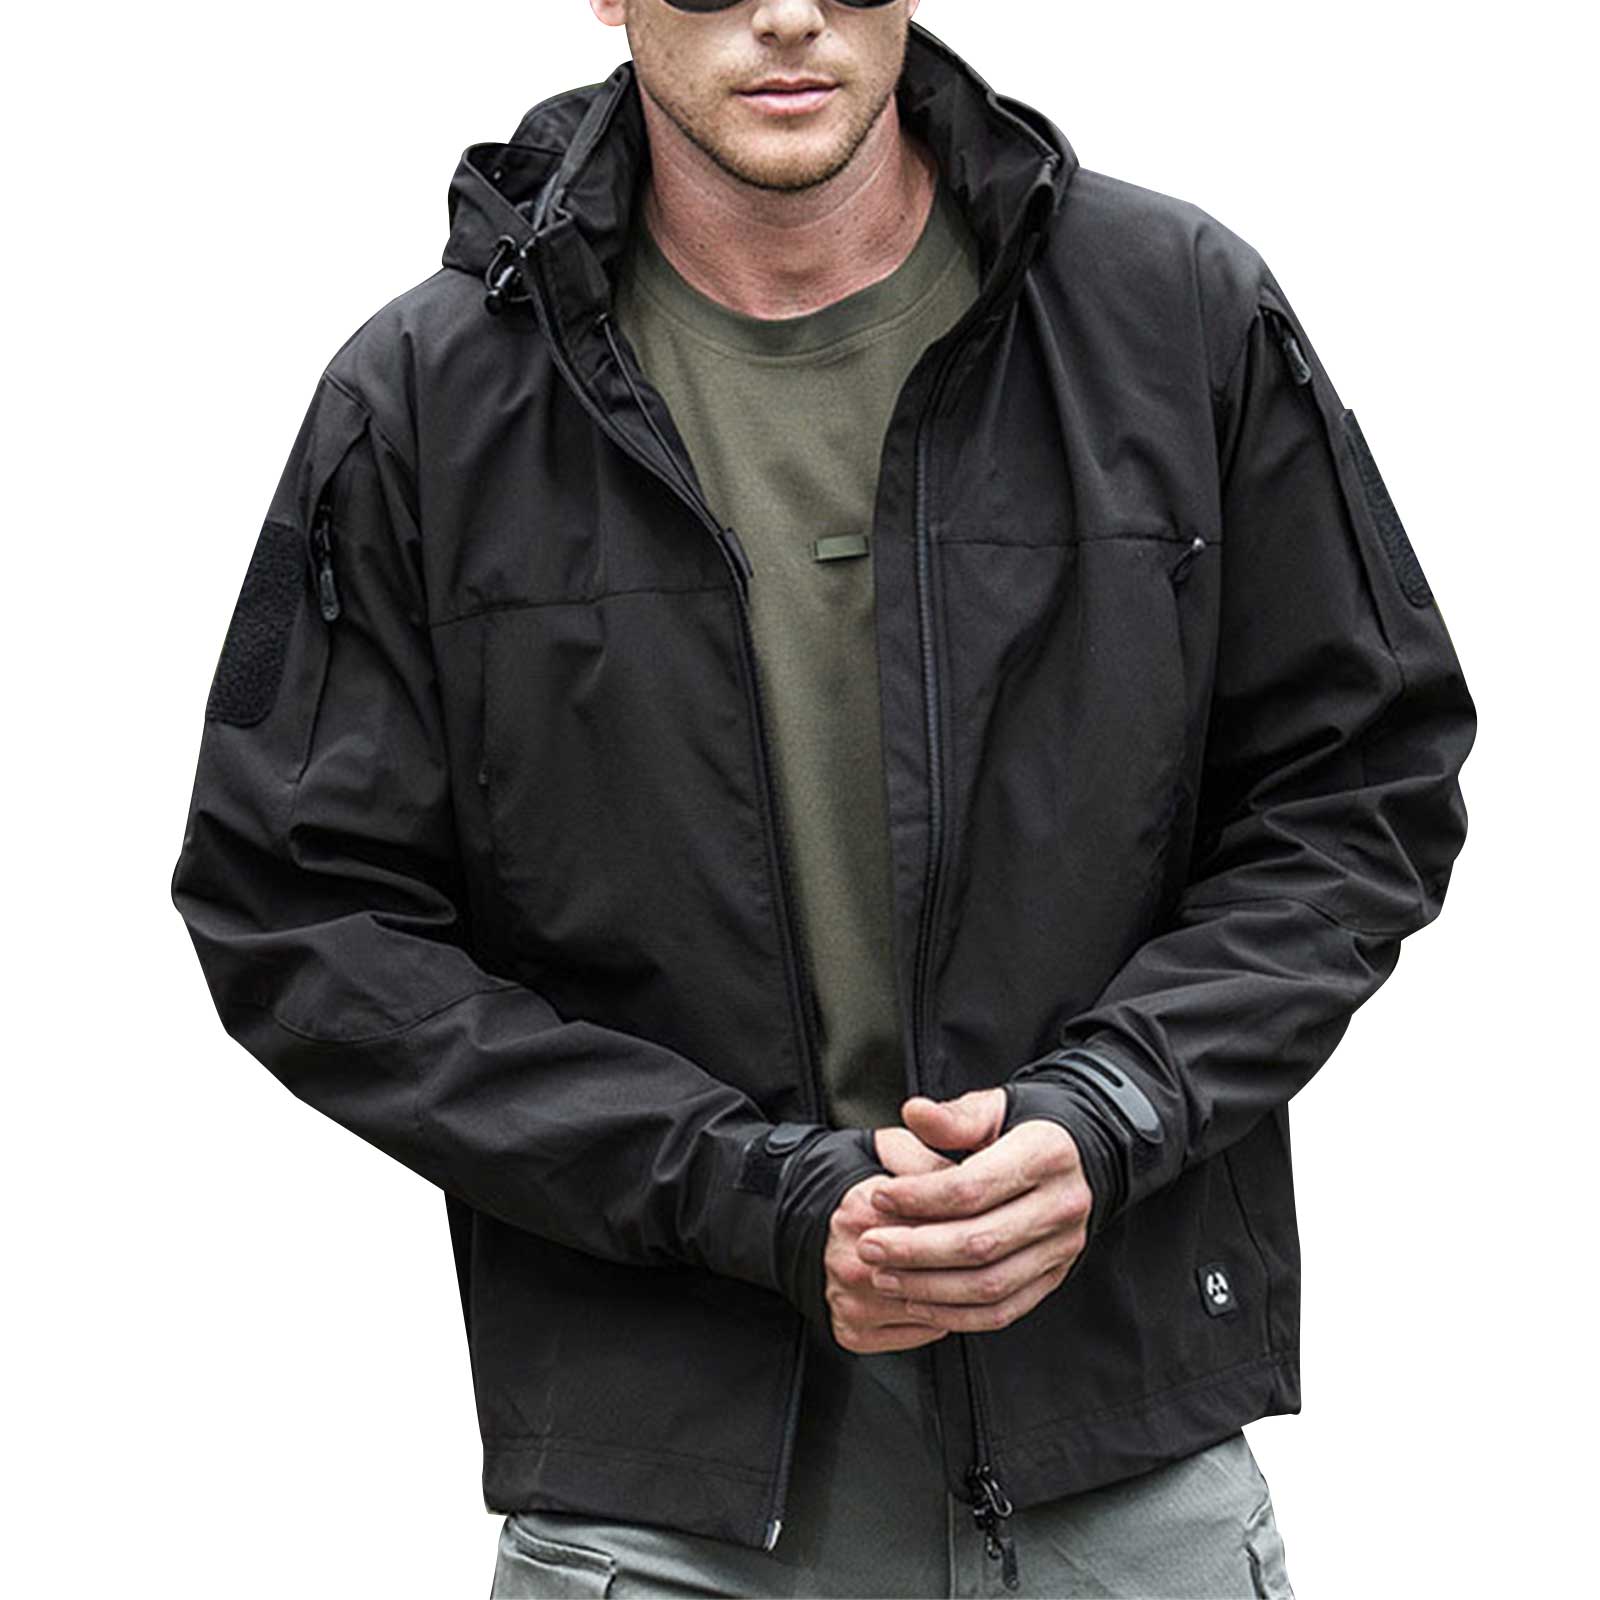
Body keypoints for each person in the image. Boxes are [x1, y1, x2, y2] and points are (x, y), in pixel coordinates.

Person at [169, 2, 1476, 1595]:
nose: (787, 12)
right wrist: (747, 1195)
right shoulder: (429, 401)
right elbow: (300, 913)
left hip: (1120, 1462)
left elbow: (1360, 783)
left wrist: (1113, 1111)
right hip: (665, 1513)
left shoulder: (1175, 317)